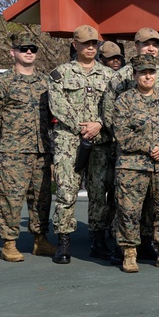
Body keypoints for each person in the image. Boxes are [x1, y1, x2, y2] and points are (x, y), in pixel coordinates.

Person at [0, 32, 57, 262]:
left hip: (42, 150)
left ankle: (40, 239)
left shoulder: (46, 82)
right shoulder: (3, 83)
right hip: (14, 151)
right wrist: (13, 132)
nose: (28, 52)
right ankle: (9, 243)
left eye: (32, 49)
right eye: (23, 48)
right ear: (12, 52)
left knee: (42, 197)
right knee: (11, 198)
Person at [48, 24, 114, 264]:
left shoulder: (109, 76)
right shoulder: (60, 73)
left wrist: (98, 124)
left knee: (99, 192)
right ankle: (64, 242)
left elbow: (115, 107)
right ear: (75, 45)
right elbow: (57, 105)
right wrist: (82, 126)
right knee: (66, 192)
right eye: (85, 43)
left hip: (99, 141)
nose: (90, 47)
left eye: (94, 43)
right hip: (69, 141)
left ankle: (97, 241)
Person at [111, 55, 159, 272]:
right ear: (134, 75)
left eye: (151, 72)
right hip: (132, 166)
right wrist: (149, 146)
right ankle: (130, 253)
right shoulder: (124, 100)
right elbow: (121, 133)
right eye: (143, 72)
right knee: (129, 211)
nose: (148, 76)